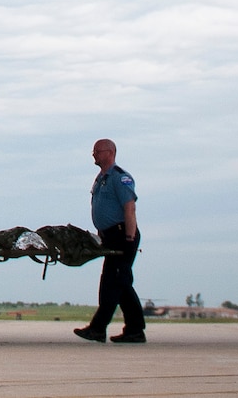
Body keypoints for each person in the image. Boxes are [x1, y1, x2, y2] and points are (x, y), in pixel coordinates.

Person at [75, 138, 144, 344]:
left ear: (110, 152)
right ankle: (135, 330)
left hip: (122, 235)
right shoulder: (100, 179)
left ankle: (97, 328)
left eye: (97, 150)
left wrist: (129, 239)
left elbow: (129, 208)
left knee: (111, 284)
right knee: (121, 283)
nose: (93, 154)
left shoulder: (120, 178)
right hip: (110, 236)